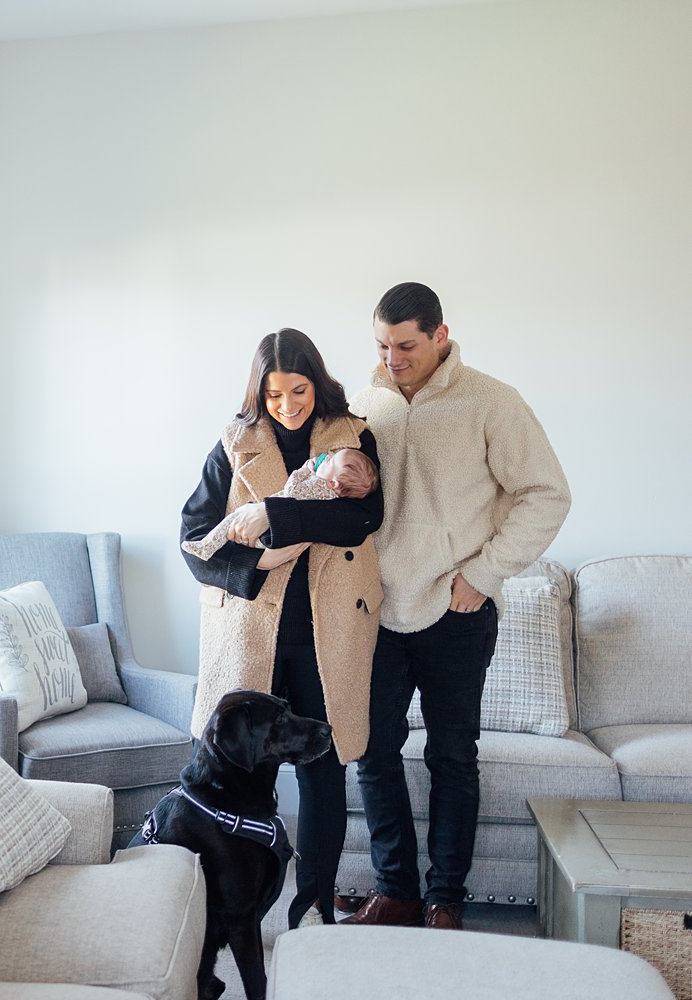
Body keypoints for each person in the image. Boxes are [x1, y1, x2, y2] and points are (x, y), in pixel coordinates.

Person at [342, 282, 570, 931]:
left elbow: (547, 494)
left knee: (451, 755)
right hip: (378, 612)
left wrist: (482, 573)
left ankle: (445, 898)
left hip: (457, 611)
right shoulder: (364, 407)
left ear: (440, 336)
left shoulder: (491, 402)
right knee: (373, 751)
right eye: (383, 345)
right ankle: (397, 892)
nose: (394, 359)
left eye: (406, 345)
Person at [180, 328, 385, 929]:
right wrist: (261, 559)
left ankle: (314, 905)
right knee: (247, 774)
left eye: (299, 391)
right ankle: (231, 901)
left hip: (330, 638)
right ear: (259, 392)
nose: (289, 405)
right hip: (251, 635)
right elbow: (194, 546)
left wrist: (271, 513)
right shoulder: (233, 443)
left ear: (316, 384)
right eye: (274, 395)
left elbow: (361, 517)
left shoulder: (352, 435)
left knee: (325, 769)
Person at [182, 448, 378, 561]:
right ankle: (207, 546)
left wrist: (304, 470)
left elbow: (292, 491)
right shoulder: (333, 491)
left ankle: (206, 546)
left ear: (334, 483)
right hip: (274, 539)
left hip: (272, 536)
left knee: (232, 521)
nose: (325, 457)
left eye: (331, 461)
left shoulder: (320, 485)